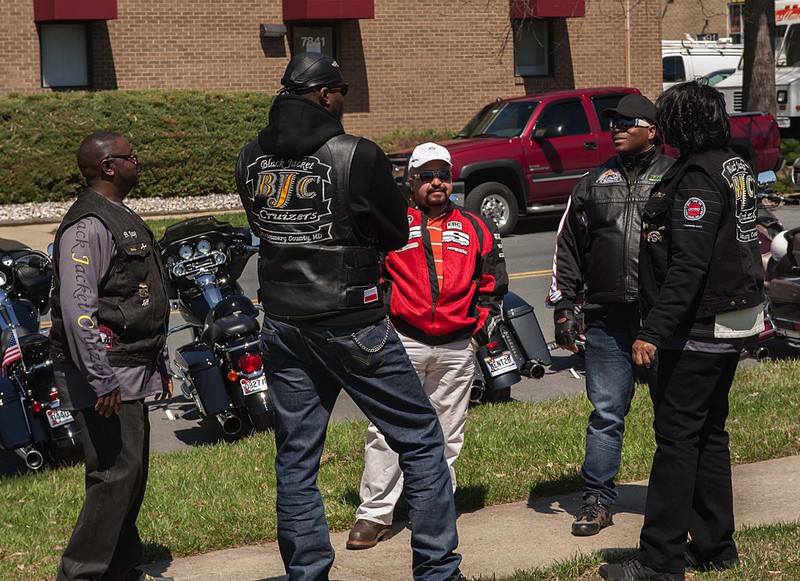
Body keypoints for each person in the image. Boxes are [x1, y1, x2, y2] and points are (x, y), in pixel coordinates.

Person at [235, 53, 464, 580]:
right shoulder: (356, 154)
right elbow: (397, 232)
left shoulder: (250, 156)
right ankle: (438, 571)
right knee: (421, 441)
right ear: (323, 94)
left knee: (296, 459)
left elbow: (262, 225)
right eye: (341, 90)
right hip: (352, 322)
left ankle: (307, 572)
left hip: (284, 323)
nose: (344, 100)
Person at [598, 81, 764, 580]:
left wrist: (653, 330)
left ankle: (659, 560)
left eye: (668, 117)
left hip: (698, 328)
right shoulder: (734, 165)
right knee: (708, 434)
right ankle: (715, 546)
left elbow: (689, 265)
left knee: (676, 440)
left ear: (683, 122)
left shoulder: (696, 176)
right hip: (732, 320)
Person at [348, 142, 508, 549]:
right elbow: (372, 278)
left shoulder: (475, 226)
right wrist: (382, 328)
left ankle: (435, 509)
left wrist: (477, 333)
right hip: (403, 340)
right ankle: (374, 514)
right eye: (426, 176)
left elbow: (493, 284)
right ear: (410, 181)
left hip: (457, 345)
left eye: (443, 175)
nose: (436, 182)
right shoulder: (391, 223)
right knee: (386, 429)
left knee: (447, 431)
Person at [547, 93, 674, 537]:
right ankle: (597, 500)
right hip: (605, 321)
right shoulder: (592, 182)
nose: (616, 129)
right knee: (605, 414)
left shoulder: (675, 177)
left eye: (627, 122)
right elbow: (568, 247)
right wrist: (564, 305)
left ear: (652, 130)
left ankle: (675, 500)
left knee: (671, 416)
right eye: (613, 123)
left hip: (660, 321)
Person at [52, 131, 173, 581]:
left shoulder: (120, 214)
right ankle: (81, 574)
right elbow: (77, 307)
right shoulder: (87, 226)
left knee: (130, 475)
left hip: (131, 366)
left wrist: (159, 364)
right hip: (106, 374)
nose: (137, 162)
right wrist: (100, 378)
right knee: (113, 476)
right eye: (129, 156)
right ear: (107, 166)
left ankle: (120, 568)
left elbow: (136, 295)